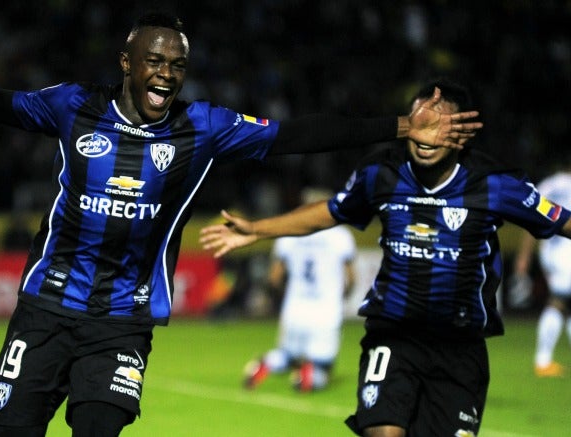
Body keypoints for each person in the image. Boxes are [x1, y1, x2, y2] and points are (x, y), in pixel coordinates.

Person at [0, 12, 483, 437]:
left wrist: (402, 127)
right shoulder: (74, 107)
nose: (166, 75)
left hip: (122, 322)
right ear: (127, 62)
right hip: (44, 308)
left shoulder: (202, 128)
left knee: (99, 427)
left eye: (177, 66)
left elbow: (298, 137)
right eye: (155, 62)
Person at [200, 78, 571, 436]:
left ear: (461, 133)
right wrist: (258, 229)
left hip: (460, 347)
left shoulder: (493, 184)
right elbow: (331, 211)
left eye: (437, 123)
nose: (424, 134)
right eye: (418, 121)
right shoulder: (383, 174)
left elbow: (560, 220)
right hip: (394, 335)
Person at [243, 187, 356, 392]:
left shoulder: (287, 233)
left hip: (295, 307)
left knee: (287, 354)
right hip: (326, 309)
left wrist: (280, 298)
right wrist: (345, 295)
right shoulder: (340, 235)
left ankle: (265, 364)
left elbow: (274, 277)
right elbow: (350, 278)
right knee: (324, 364)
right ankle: (308, 377)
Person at [512, 164, 571, 377]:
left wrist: (525, 256)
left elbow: (531, 218)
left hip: (553, 252)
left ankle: (544, 360)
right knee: (558, 302)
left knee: (564, 304)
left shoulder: (548, 185)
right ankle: (543, 361)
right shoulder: (558, 184)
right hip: (566, 251)